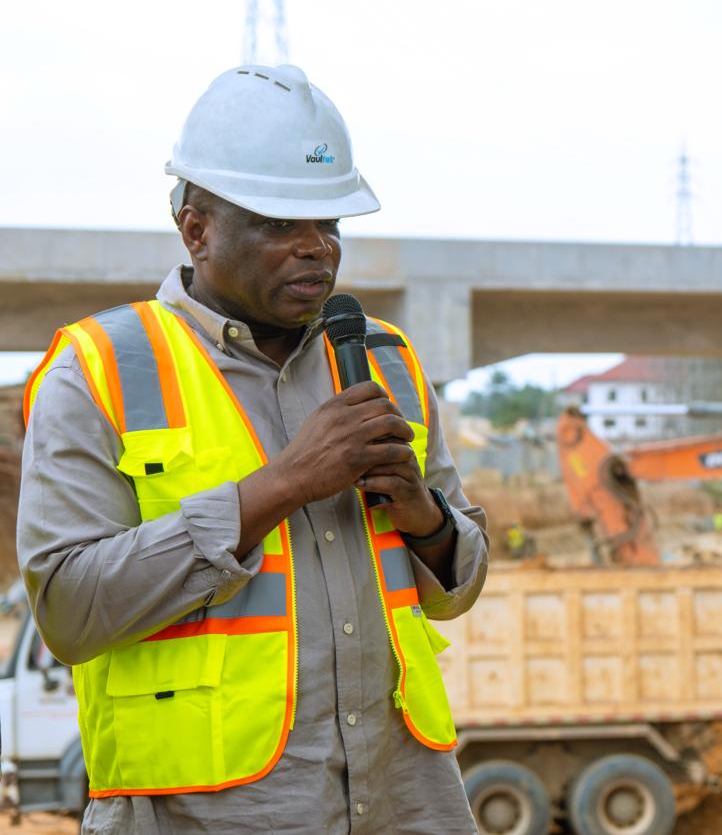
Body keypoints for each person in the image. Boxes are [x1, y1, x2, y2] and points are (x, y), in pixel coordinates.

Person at [18, 64, 488, 833]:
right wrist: (281, 485)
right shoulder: (100, 371)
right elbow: (69, 610)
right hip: (203, 813)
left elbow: (457, 587)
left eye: (329, 223)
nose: (316, 249)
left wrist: (424, 516)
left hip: (404, 804)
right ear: (196, 229)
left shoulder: (386, 361)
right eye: (278, 224)